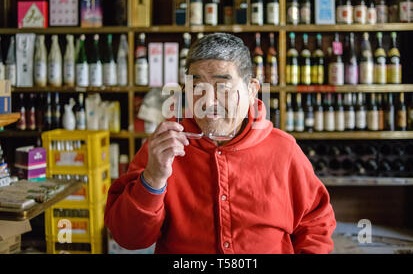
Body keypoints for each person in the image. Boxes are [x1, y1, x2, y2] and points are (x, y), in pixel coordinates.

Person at [104, 33, 336, 254]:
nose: (208, 101)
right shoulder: (162, 148)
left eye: (223, 87)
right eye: (197, 87)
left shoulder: (283, 150)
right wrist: (153, 178)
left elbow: (316, 224)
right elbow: (128, 238)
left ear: (251, 89)